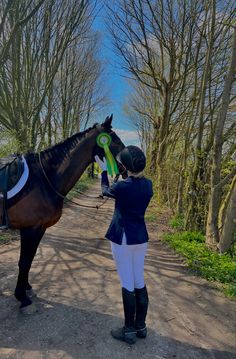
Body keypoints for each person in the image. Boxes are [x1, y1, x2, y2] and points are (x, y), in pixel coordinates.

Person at [95, 145, 153, 345]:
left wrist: (103, 171)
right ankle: (141, 326)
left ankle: (128, 330)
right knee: (140, 281)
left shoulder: (121, 187)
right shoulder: (149, 185)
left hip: (123, 239)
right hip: (140, 238)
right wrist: (124, 174)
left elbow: (105, 191)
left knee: (127, 282)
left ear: (126, 166)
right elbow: (132, 184)